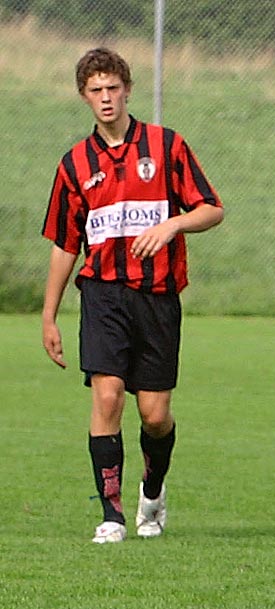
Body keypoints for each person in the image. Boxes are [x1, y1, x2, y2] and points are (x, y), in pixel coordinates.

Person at [41, 47, 224, 544]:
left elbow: (212, 209)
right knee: (107, 395)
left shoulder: (166, 147)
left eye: (112, 88)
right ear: (84, 96)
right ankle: (112, 515)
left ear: (127, 90)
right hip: (102, 296)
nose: (105, 98)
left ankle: (154, 491)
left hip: (157, 296)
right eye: (95, 90)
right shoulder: (75, 164)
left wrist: (173, 225)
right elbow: (65, 245)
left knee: (155, 415)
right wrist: (49, 315)